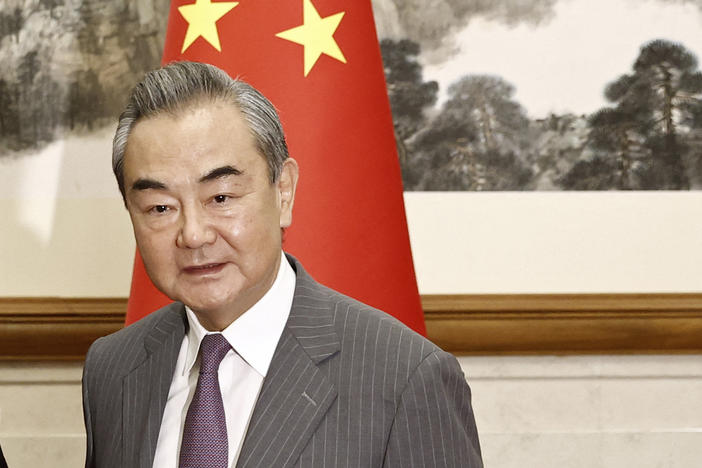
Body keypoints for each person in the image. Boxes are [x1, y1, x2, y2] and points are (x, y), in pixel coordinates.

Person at [82, 61, 482, 468]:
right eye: (160, 207)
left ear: (283, 192)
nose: (194, 235)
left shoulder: (406, 378)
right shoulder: (113, 368)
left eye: (220, 198)